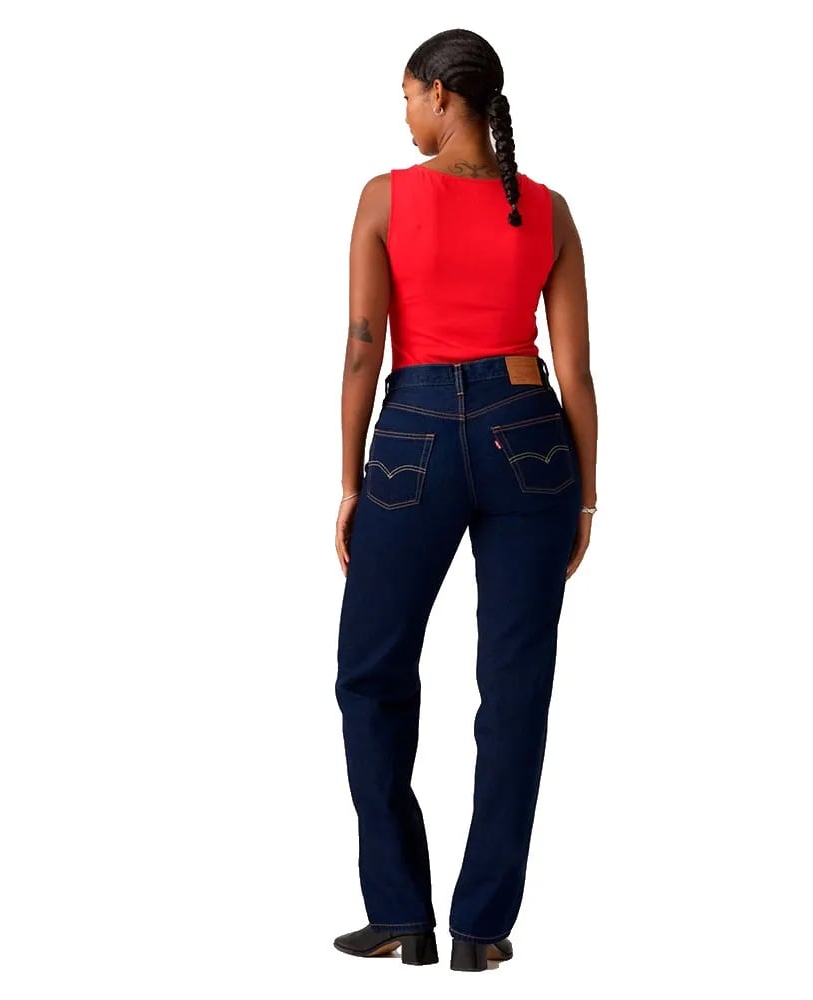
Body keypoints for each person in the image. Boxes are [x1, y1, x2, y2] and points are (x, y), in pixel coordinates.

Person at [332, 28, 598, 973]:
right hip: (531, 436)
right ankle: (480, 931)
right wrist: (586, 498)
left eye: (408, 96)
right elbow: (576, 370)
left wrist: (351, 481)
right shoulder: (550, 211)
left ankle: (400, 912)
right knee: (516, 686)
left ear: (443, 94)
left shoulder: (385, 198)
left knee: (371, 673)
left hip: (413, 438)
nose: (405, 115)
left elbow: (363, 349)